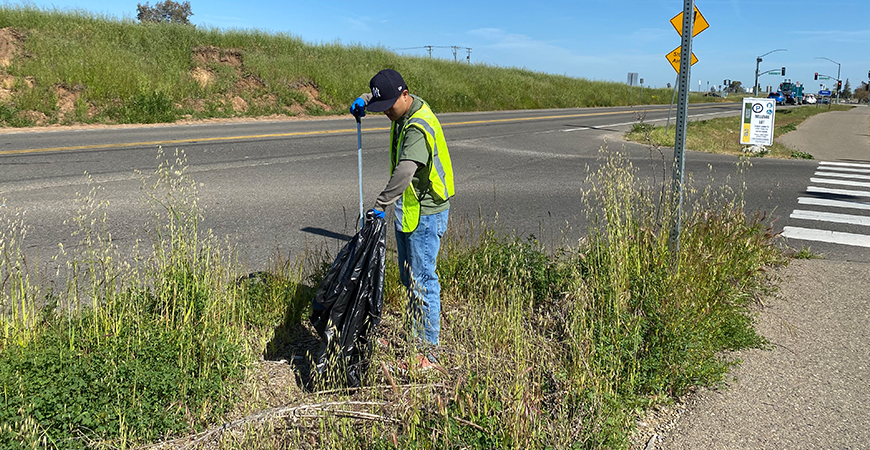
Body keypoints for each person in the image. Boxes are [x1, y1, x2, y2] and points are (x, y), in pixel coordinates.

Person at [350, 69, 455, 368]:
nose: (386, 114)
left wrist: (380, 205)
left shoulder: (417, 128)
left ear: (405, 95)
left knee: (423, 281)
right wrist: (366, 99)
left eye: (388, 107)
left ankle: (428, 353)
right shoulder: (402, 107)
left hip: (427, 211)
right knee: (410, 279)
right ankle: (415, 337)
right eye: (381, 109)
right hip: (411, 209)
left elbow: (406, 170)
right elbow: (383, 94)